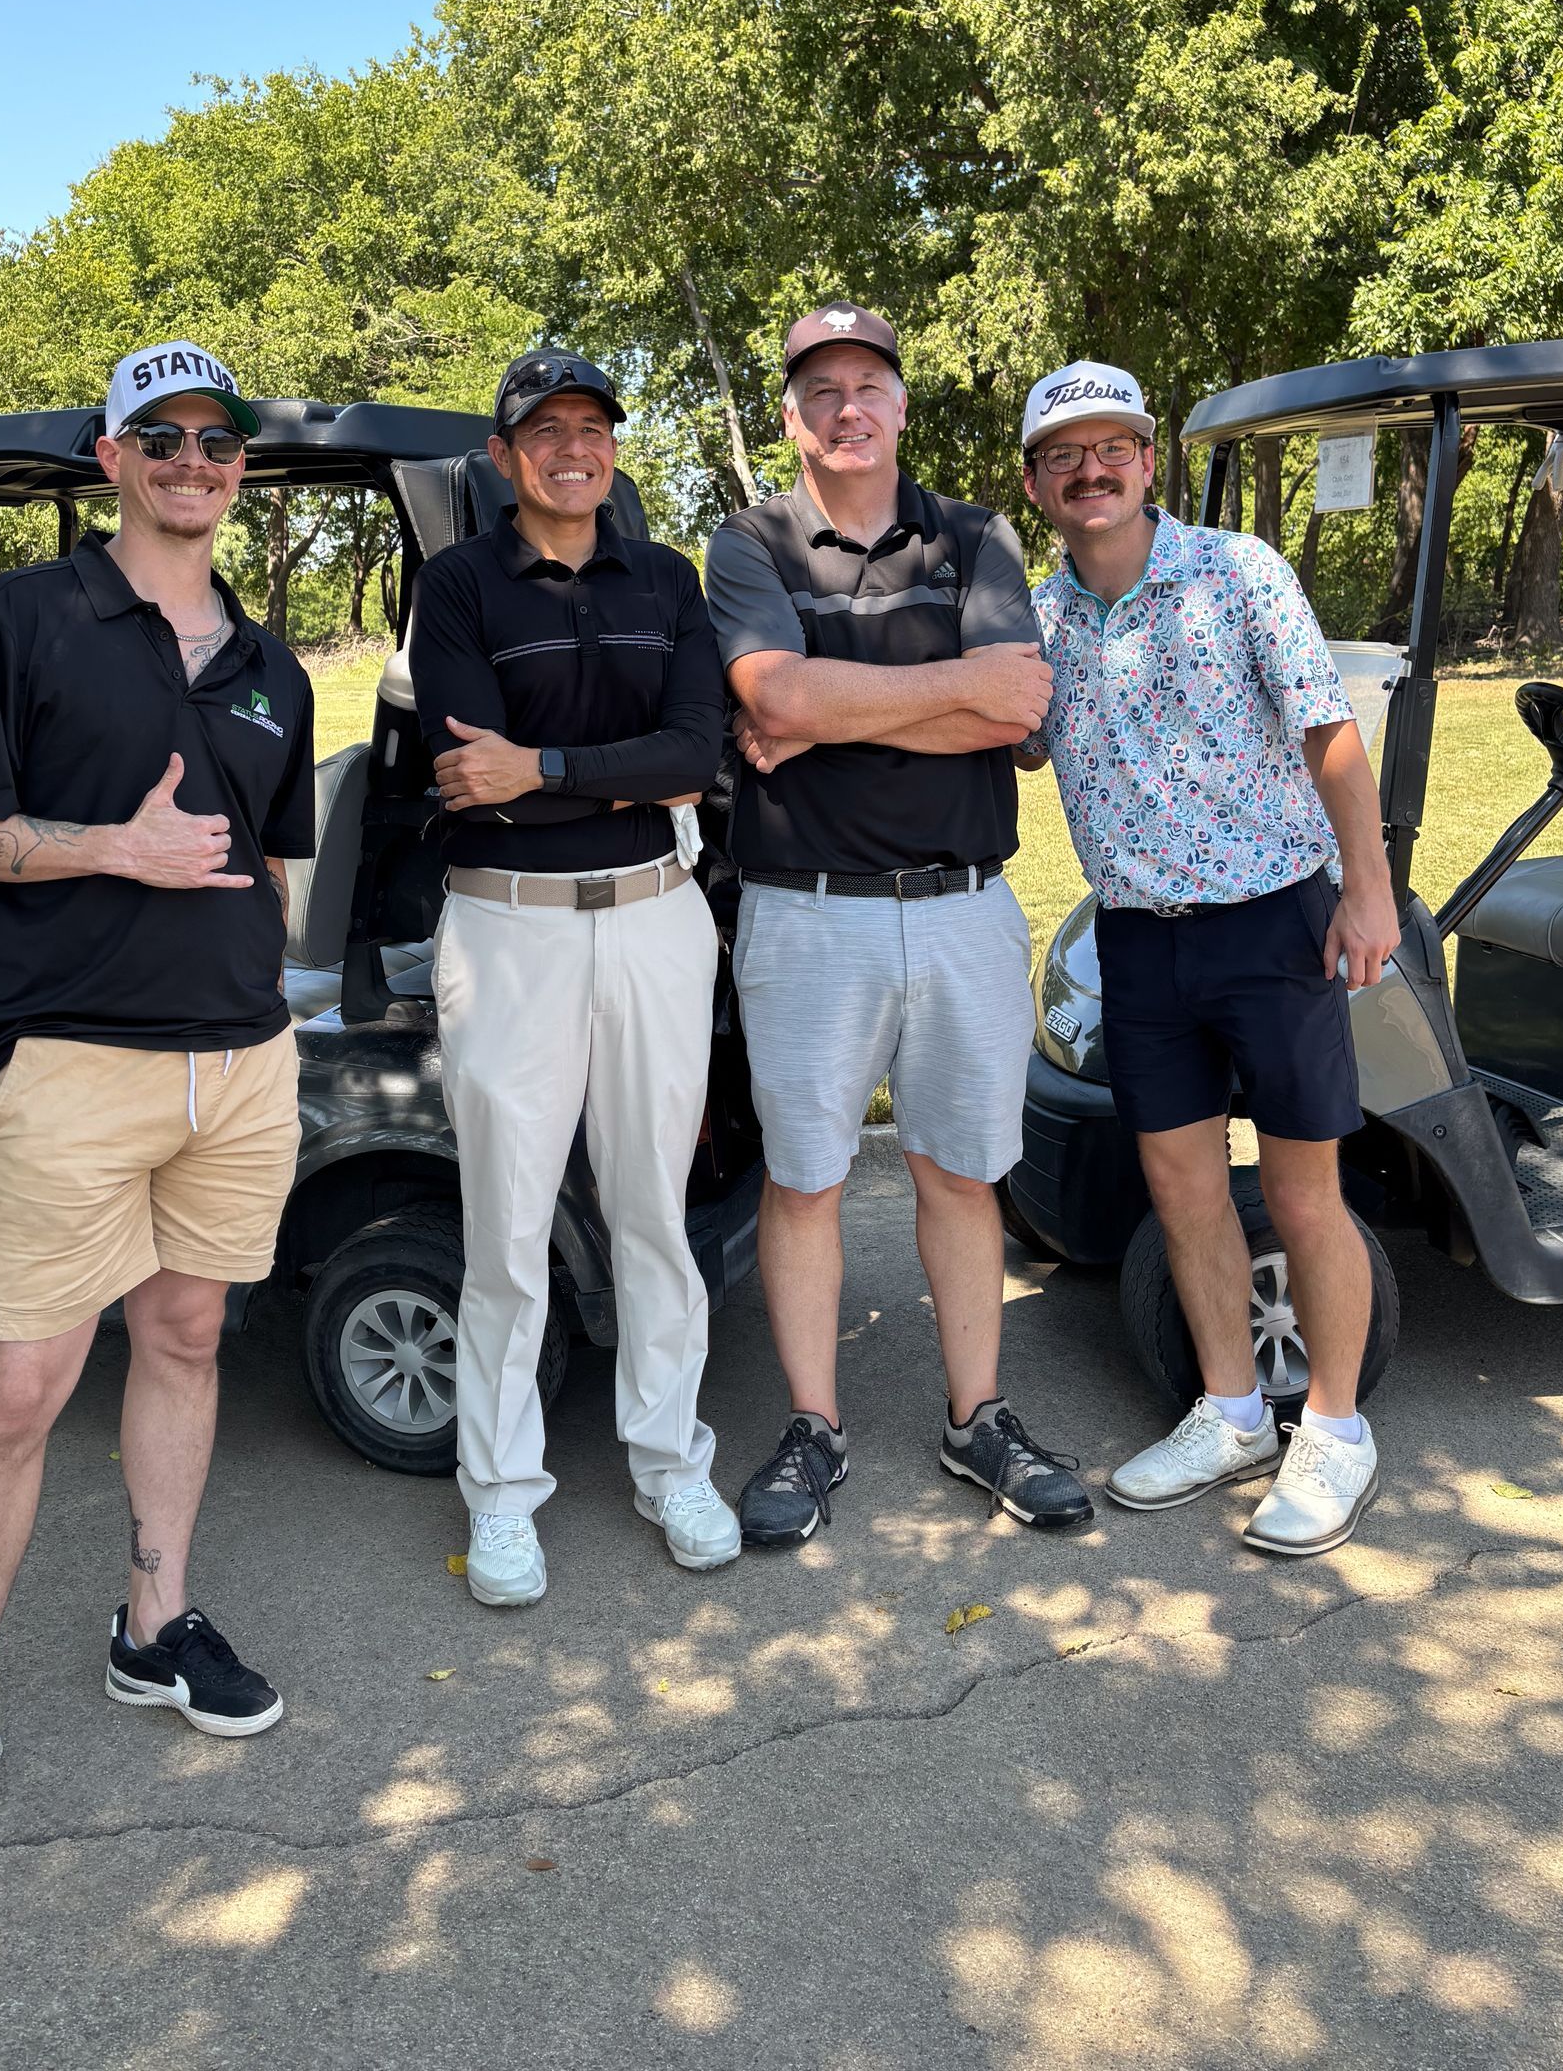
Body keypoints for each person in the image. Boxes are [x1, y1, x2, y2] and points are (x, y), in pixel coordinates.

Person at [0, 342, 313, 1876]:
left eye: (219, 441)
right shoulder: (26, 618)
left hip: (241, 1065)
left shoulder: (274, 667)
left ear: (241, 470)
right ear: (110, 457)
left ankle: (153, 1620)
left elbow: (274, 859)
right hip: (67, 1066)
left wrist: (270, 983)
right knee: (19, 1387)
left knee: (187, 1337)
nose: (196, 460)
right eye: (164, 436)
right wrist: (108, 854)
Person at [704, 300, 1093, 1547]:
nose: (848, 408)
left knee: (959, 1174)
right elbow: (770, 693)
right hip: (806, 916)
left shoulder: (973, 536)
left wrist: (828, 709)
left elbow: (1018, 713)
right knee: (805, 1176)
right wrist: (944, 688)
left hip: (964, 905)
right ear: (792, 416)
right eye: (821, 391)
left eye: (868, 384)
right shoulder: (749, 543)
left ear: (902, 404)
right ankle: (814, 1428)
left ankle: (977, 1416)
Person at [1022, 361, 1398, 1557]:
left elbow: (1328, 736)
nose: (1093, 470)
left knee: (1300, 1191)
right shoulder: (1039, 617)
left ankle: (1334, 1430)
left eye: (1112, 447)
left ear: (1147, 459)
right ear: (1038, 483)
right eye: (1064, 455)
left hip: (1272, 920)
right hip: (1136, 939)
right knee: (1183, 1191)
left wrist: (1368, 889)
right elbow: (1007, 744)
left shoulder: (1238, 572)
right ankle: (1234, 1410)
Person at [408, 348, 739, 1609]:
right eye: (542, 429)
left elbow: (696, 751)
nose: (570, 446)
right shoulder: (456, 585)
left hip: (655, 922)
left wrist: (541, 770)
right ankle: (501, 1498)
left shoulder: (667, 578)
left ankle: (670, 1463)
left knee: (655, 1212)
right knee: (507, 1231)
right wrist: (620, 766)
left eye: (590, 424)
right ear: (503, 458)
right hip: (509, 935)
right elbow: (459, 769)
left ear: (612, 445)